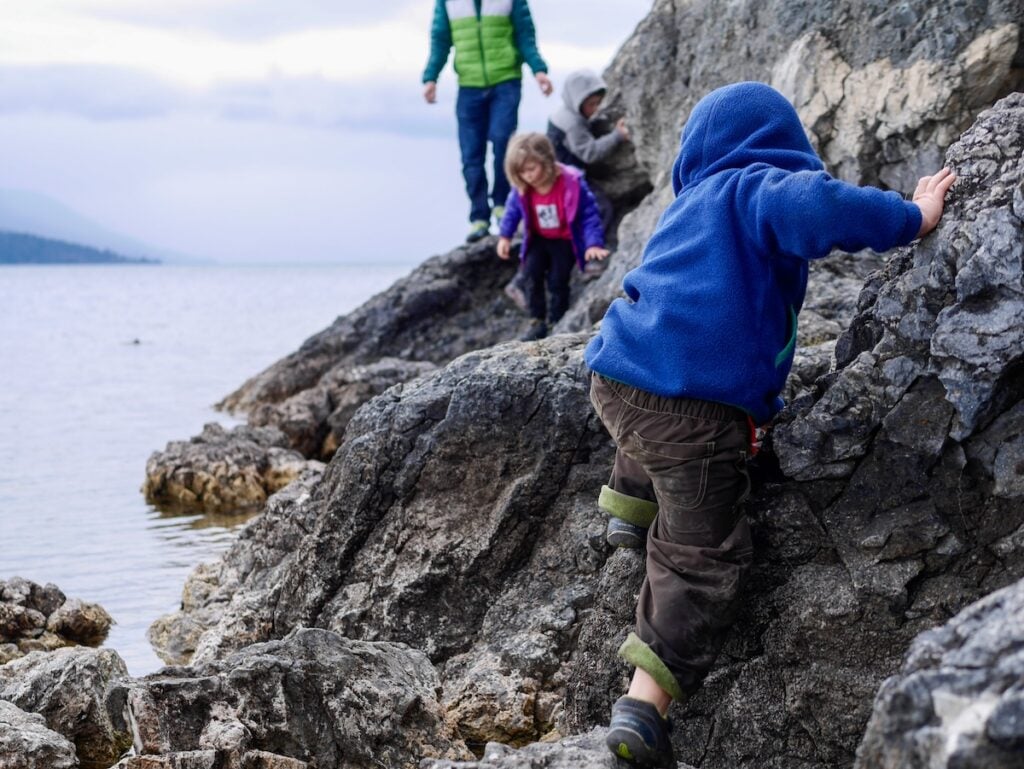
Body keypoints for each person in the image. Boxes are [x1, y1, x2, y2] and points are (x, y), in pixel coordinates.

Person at [584, 81, 956, 767]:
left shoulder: (688, 205)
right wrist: (913, 213)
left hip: (616, 371)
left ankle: (626, 510)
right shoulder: (758, 187)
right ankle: (641, 708)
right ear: (781, 145)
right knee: (700, 555)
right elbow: (820, 206)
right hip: (693, 411)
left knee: (650, 424)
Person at [422, 0, 553, 243]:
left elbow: (525, 34)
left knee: (504, 142)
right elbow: (440, 40)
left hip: (506, 81)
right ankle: (479, 217)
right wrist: (431, 77)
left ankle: (502, 205)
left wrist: (539, 69)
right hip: (468, 86)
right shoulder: (448, 3)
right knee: (471, 154)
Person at [496, 133, 609, 340]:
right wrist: (505, 236)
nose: (527, 176)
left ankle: (558, 320)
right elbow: (512, 211)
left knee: (558, 280)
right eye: (521, 172)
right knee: (531, 275)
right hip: (537, 239)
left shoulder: (571, 182)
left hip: (564, 240)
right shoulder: (522, 188)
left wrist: (593, 243)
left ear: (546, 160)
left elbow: (589, 214)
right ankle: (537, 320)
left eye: (531, 169)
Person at [547, 68, 630, 233]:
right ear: (577, 101)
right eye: (591, 104)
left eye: (598, 103)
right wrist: (617, 136)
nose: (596, 108)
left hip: (566, 172)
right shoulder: (572, 124)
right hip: (565, 179)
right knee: (601, 208)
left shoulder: (565, 113)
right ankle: (595, 248)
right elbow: (590, 153)